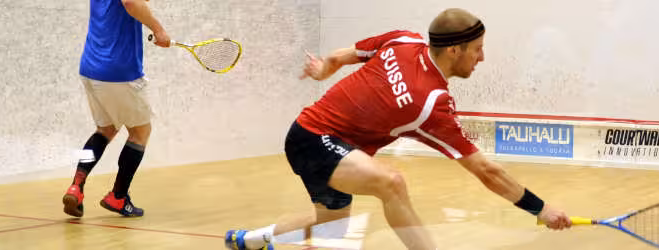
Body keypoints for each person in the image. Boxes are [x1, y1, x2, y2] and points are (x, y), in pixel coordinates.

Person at [223, 8, 572, 250]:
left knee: (331, 221)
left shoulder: (402, 40)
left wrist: (323, 70)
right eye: (477, 50)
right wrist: (540, 209)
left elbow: (342, 56)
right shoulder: (431, 103)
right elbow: (486, 171)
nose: (481, 58)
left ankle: (254, 239)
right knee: (392, 183)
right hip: (314, 137)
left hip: (320, 141)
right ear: (454, 50)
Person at [61, 0, 172, 218]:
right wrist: (158, 29)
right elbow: (130, 2)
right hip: (118, 72)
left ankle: (76, 187)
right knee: (140, 132)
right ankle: (118, 197)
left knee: (106, 130)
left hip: (91, 67)